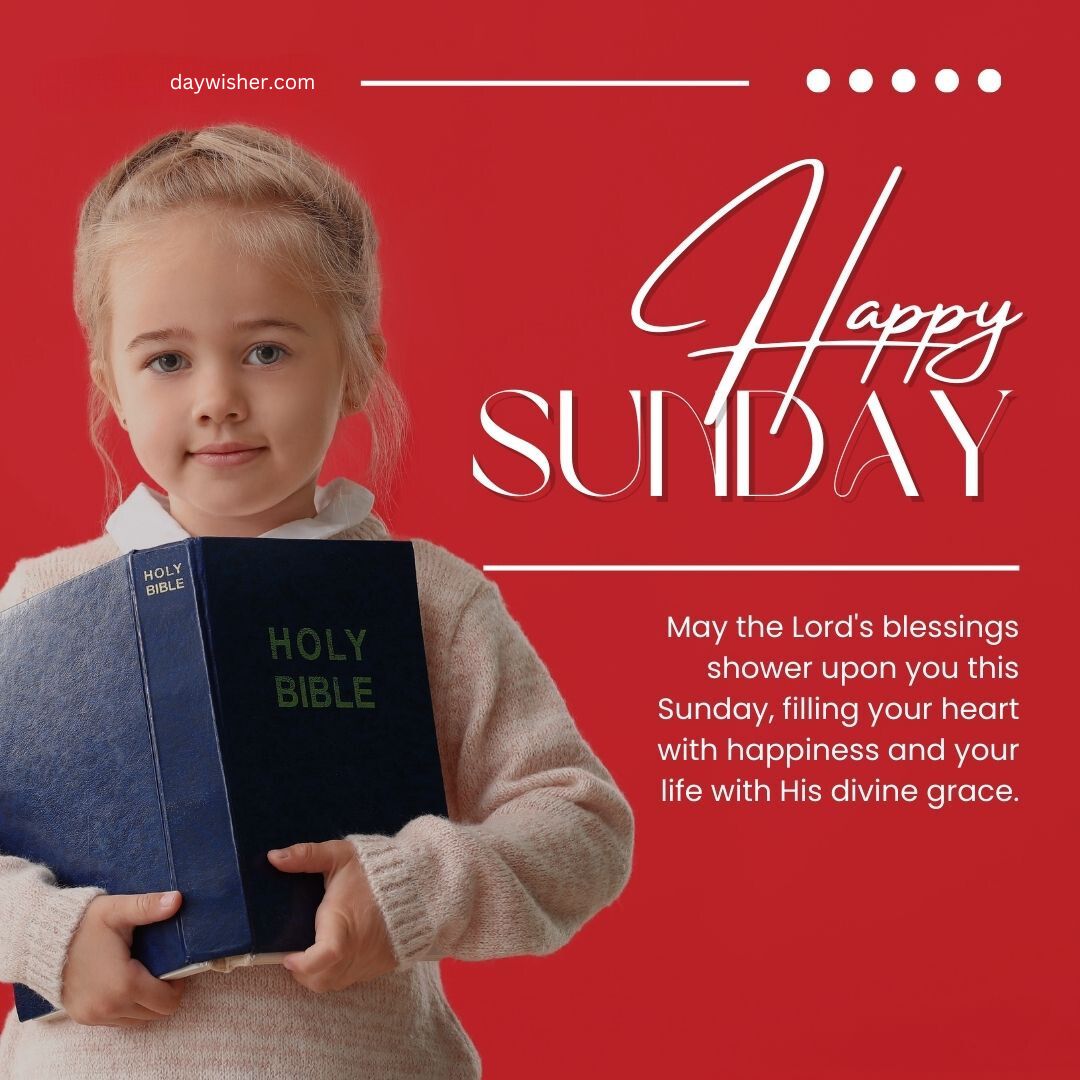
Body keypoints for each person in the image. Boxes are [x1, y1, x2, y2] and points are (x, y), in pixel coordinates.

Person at [0, 124, 634, 1078]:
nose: (217, 398)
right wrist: (44, 934)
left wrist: (412, 889)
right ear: (112, 388)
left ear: (357, 366)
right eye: (167, 360)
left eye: (265, 351)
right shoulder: (41, 601)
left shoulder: (429, 598)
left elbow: (580, 827)